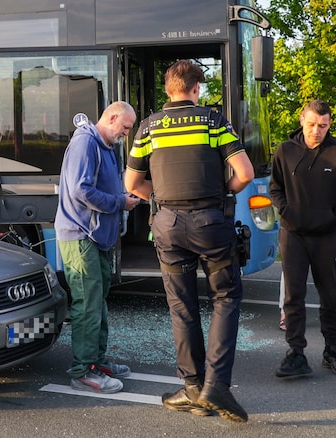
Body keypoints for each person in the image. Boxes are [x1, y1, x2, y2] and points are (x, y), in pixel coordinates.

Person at [125, 59, 254, 423]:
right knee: (225, 298)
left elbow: (132, 185)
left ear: (168, 90)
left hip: (166, 224)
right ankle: (217, 386)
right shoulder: (213, 120)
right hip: (210, 222)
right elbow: (243, 173)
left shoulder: (148, 127)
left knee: (182, 306)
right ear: (196, 89)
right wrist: (221, 190)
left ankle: (193, 387)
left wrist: (162, 198)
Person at [269, 99, 336, 379]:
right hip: (293, 234)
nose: (316, 131)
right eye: (311, 124)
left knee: (330, 295)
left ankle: (332, 350)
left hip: (327, 236)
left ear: (329, 124)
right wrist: (286, 211)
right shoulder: (285, 151)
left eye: (322, 126)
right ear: (302, 120)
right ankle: (296, 353)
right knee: (293, 296)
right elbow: (275, 187)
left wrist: (334, 216)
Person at [55, 101, 139, 394]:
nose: (126, 134)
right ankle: (83, 371)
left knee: (97, 302)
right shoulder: (85, 143)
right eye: (125, 127)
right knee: (88, 304)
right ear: (112, 117)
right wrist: (120, 202)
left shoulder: (102, 145)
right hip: (81, 236)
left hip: (94, 236)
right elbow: (81, 190)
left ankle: (96, 361)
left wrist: (122, 196)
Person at [278, 216, 336, 334]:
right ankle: (287, 314)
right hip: (301, 216)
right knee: (292, 268)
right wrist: (286, 209)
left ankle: (334, 316)